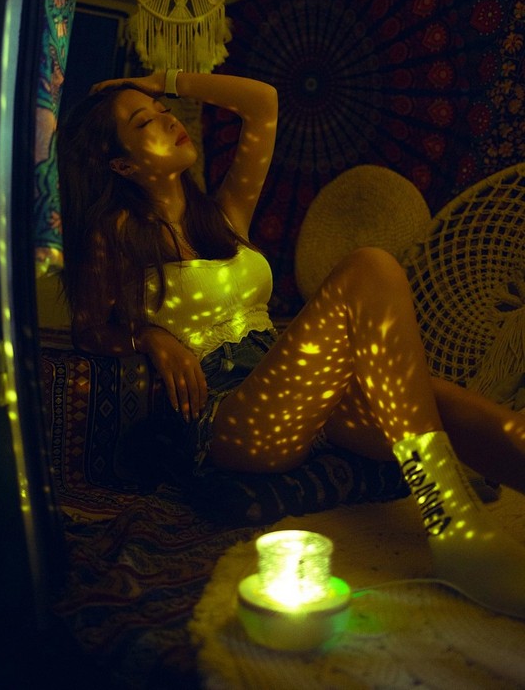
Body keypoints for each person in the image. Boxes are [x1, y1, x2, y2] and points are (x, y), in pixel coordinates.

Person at [57, 68, 525, 620]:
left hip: (305, 392)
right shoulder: (114, 232)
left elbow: (262, 104)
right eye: (144, 123)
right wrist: (150, 336)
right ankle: (450, 521)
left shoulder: (224, 216)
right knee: (371, 267)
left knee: (441, 405)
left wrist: (165, 80)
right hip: (234, 417)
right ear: (122, 165)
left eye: (164, 110)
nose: (168, 119)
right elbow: (89, 328)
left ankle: (454, 512)